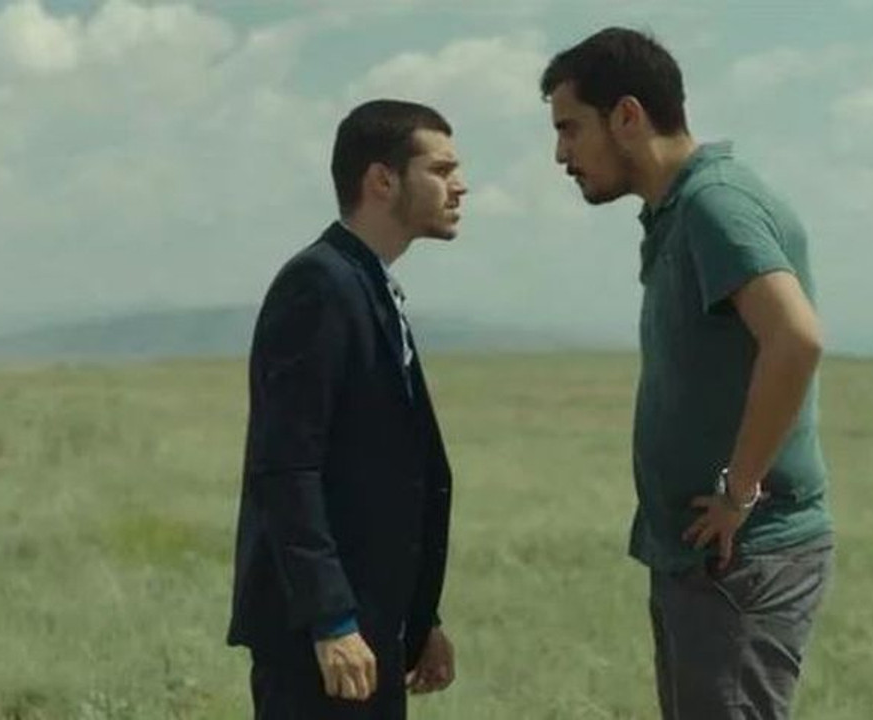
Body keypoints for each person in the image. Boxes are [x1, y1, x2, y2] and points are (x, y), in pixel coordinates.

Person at [541, 28, 835, 720]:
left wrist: (739, 490)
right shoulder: (678, 210)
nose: (560, 155)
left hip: (744, 556)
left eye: (570, 128)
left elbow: (795, 339)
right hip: (703, 557)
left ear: (628, 116)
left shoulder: (714, 204)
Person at [227, 99, 468, 719]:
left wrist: (420, 619)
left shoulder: (368, 284)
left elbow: (379, 472)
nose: (460, 186)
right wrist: (330, 619)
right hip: (321, 641)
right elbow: (287, 467)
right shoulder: (320, 285)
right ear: (382, 179)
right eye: (441, 169)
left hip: (370, 626)